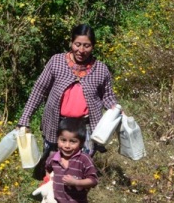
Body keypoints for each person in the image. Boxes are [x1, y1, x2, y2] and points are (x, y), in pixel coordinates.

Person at [17, 24, 120, 178]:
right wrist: (25, 118)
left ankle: (73, 196)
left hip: (84, 126)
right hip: (57, 123)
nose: (81, 50)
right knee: (52, 163)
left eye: (87, 46)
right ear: (71, 42)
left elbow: (107, 96)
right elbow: (39, 89)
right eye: (77, 44)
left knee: (80, 166)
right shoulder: (57, 61)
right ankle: (50, 193)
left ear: (93, 46)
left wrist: (115, 107)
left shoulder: (100, 69)